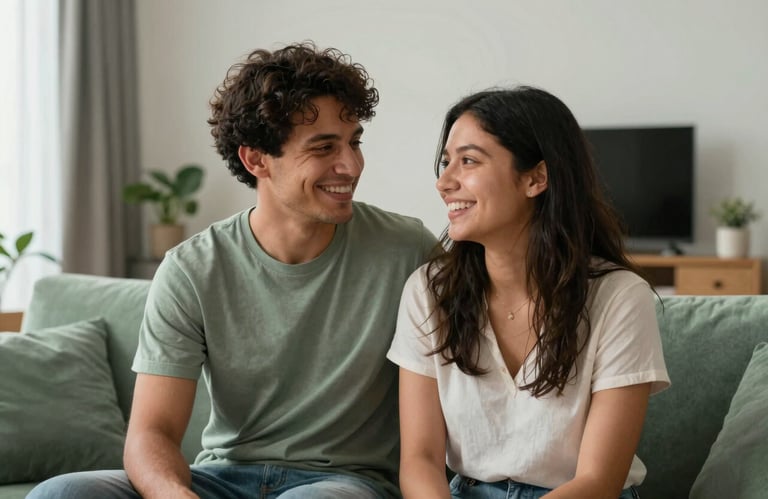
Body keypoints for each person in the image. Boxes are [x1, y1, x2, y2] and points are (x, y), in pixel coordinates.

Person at [28, 42, 437, 499]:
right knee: (61, 494)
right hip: (221, 479)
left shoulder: (408, 250)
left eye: (354, 141)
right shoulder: (191, 269)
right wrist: (173, 495)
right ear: (256, 159)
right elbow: (153, 432)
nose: (352, 164)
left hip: (342, 484)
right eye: (324, 147)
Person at [387, 86, 671, 499]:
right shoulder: (429, 291)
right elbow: (420, 461)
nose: (444, 182)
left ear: (536, 178)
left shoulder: (619, 297)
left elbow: (599, 482)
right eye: (446, 162)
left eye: (468, 161)